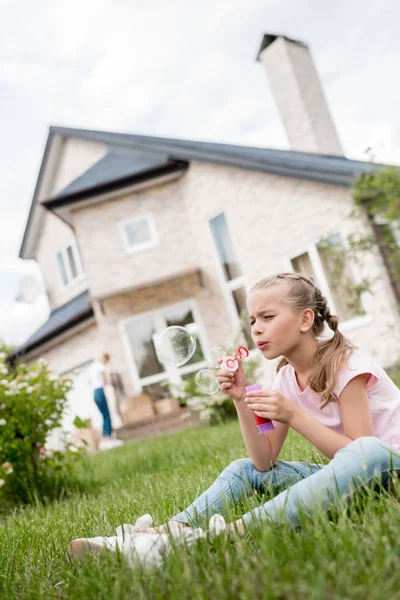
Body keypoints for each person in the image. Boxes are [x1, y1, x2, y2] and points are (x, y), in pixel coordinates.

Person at [68, 272, 400, 559]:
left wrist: (295, 416)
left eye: (268, 317)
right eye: (253, 321)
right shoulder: (284, 378)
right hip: (357, 475)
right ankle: (157, 536)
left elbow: (362, 455)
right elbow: (264, 462)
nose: (256, 329)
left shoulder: (348, 367)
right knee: (242, 469)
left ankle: (214, 538)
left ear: (305, 319)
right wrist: (242, 400)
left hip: (389, 468)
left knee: (367, 450)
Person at [89, 354, 123, 450]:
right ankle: (107, 437)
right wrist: (108, 384)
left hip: (95, 393)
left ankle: (104, 438)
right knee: (107, 415)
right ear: (105, 358)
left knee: (104, 415)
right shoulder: (101, 366)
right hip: (100, 391)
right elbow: (105, 379)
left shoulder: (92, 366)